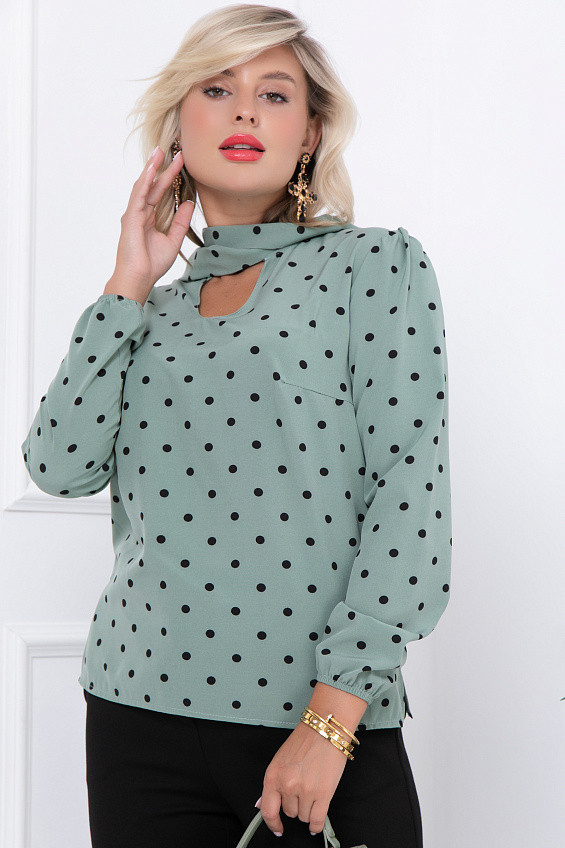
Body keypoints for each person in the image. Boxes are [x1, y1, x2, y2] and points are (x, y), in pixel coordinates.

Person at [20, 5, 452, 847]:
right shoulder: (150, 310)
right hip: (134, 712)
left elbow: (409, 498)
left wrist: (330, 721)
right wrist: (127, 281)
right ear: (179, 124)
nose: (245, 110)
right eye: (217, 89)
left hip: (318, 725)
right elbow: (59, 464)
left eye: (274, 93)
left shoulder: (372, 265)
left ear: (309, 133)